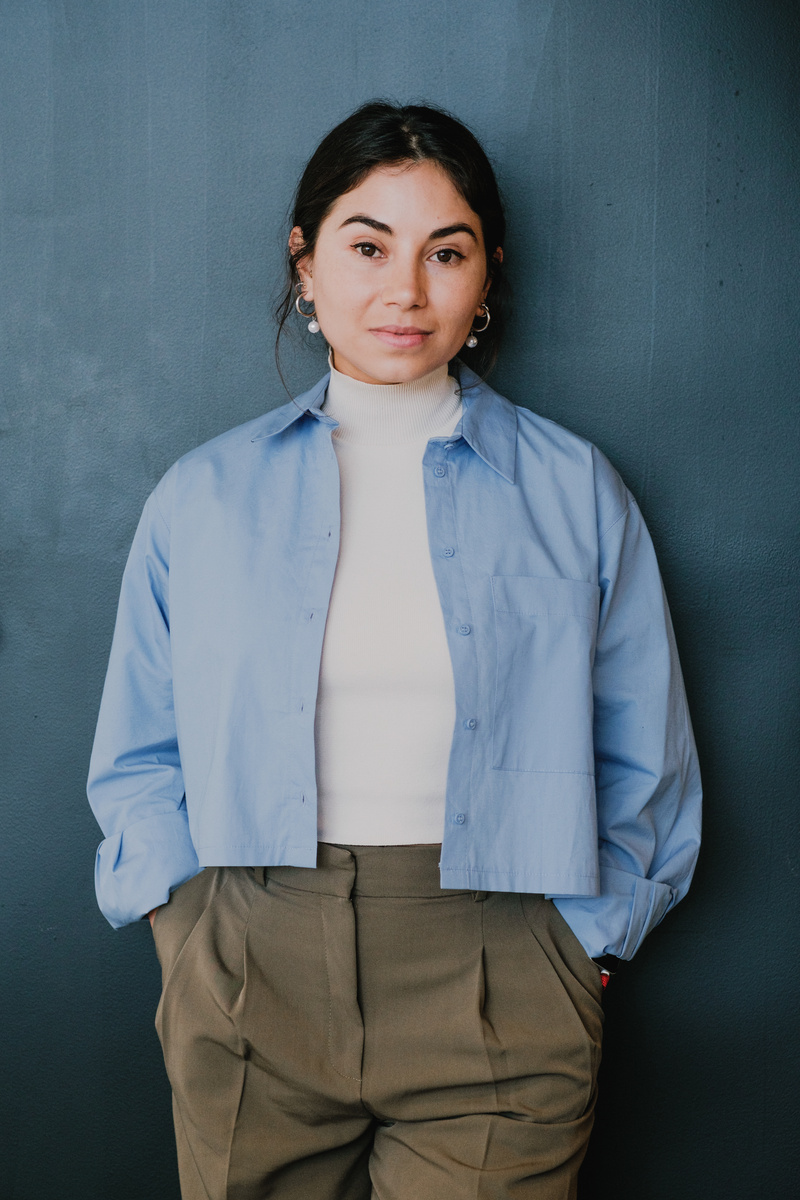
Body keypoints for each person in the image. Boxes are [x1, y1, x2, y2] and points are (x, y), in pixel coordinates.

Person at [87, 101, 701, 1200]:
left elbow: (643, 755)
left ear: (486, 273)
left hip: (503, 966)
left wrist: (580, 950)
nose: (404, 289)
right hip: (247, 961)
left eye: (445, 252)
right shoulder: (203, 497)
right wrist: (188, 933)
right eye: (366, 245)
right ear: (305, 262)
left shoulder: (572, 489)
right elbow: (138, 750)